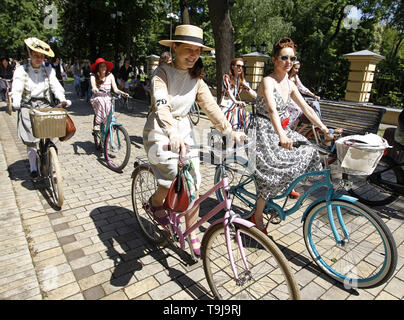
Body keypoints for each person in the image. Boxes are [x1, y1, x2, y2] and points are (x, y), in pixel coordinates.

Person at [143, 25, 245, 256]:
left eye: (197, 51)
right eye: (187, 49)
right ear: (175, 47)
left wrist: (230, 130)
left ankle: (192, 232)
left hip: (184, 132)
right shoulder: (161, 74)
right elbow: (162, 104)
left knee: (194, 184)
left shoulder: (196, 79)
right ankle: (156, 203)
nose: (193, 55)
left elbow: (210, 107)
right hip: (160, 130)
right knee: (171, 175)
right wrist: (171, 132)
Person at [248, 37, 333, 235]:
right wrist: (281, 136)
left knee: (308, 149)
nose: (288, 62)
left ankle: (282, 188)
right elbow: (271, 109)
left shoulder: (291, 83)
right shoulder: (267, 81)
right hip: (262, 131)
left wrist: (325, 129)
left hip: (280, 130)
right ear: (274, 59)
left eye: (292, 58)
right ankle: (257, 215)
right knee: (271, 170)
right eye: (284, 58)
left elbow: (307, 109)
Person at [11, 37, 71, 179]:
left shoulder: (48, 70)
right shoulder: (21, 70)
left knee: (51, 129)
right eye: (36, 55)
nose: (38, 58)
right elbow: (17, 87)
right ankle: (33, 167)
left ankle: (50, 156)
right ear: (30, 54)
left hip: (44, 104)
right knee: (31, 137)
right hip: (27, 104)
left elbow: (55, 85)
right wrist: (16, 101)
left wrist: (62, 98)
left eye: (41, 56)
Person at [89, 57, 128, 130]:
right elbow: (93, 85)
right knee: (101, 102)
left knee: (111, 107)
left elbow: (115, 89)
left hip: (108, 97)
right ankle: (97, 123)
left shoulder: (110, 76)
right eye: (101, 66)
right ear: (98, 68)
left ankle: (110, 129)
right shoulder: (93, 75)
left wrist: (123, 93)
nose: (103, 68)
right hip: (98, 96)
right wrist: (94, 88)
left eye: (104, 66)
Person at [220, 58, 257, 131]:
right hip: (226, 105)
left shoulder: (241, 80)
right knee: (234, 119)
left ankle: (244, 136)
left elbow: (250, 90)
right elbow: (228, 91)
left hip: (235, 106)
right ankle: (231, 137)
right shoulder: (226, 77)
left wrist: (261, 99)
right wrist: (236, 101)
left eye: (242, 66)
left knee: (247, 116)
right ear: (233, 67)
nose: (240, 68)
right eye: (238, 66)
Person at [287, 60, 321, 128]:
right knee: (297, 109)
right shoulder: (285, 76)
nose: (297, 70)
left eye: (298, 69)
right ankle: (287, 127)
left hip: (293, 98)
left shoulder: (295, 77)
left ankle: (293, 128)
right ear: (291, 67)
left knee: (303, 109)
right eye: (295, 68)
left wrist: (314, 95)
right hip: (286, 98)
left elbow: (302, 88)